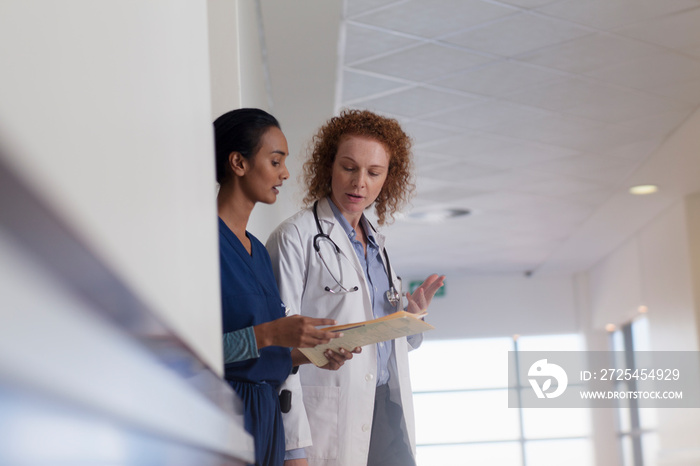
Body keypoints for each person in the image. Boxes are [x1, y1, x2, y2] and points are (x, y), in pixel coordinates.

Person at [266, 109, 445, 466]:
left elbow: (380, 340)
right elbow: (278, 349)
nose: (359, 182)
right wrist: (293, 447)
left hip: (387, 411)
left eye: (373, 172)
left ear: (386, 179)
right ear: (328, 166)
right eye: (349, 167)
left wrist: (411, 319)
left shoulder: (378, 245)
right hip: (330, 416)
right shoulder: (295, 238)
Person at [215, 108, 355, 466]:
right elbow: (199, 349)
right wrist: (271, 332)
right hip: (225, 416)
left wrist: (313, 355)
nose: (285, 173)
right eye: (275, 161)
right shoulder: (203, 245)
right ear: (238, 162)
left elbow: (265, 351)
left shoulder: (258, 252)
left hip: (268, 420)